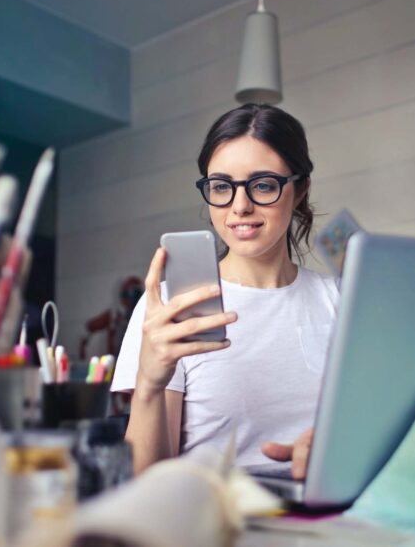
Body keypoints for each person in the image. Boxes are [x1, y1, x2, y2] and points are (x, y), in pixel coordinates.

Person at [111, 103, 339, 478]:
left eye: (263, 185)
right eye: (221, 187)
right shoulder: (171, 307)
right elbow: (146, 482)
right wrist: (150, 384)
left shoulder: (341, 301)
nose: (240, 206)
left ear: (300, 190)